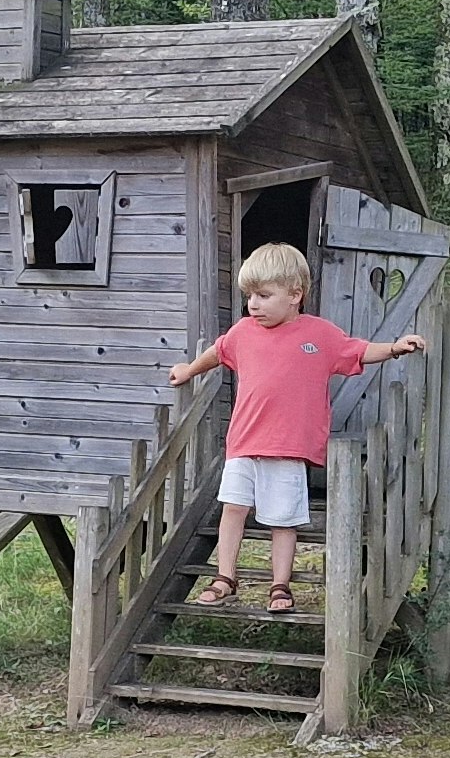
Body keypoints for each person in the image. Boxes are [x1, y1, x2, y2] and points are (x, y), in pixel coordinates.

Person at [166, 242, 425, 615]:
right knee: (233, 508)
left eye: (263, 295)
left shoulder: (318, 335)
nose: (253, 304)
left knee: (282, 520)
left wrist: (396, 347)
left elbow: (358, 350)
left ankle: (280, 585)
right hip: (243, 443)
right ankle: (225, 577)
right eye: (249, 296)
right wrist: (189, 370)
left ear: (295, 295)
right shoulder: (243, 332)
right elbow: (218, 351)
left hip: (289, 448)